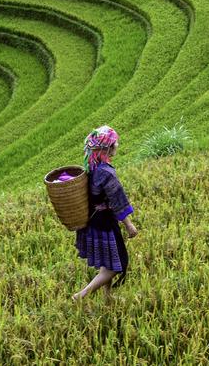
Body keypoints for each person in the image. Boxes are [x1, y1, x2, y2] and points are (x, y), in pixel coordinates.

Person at [73, 126, 137, 301]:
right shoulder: (106, 172)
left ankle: (107, 297)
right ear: (107, 148)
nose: (117, 146)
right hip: (105, 223)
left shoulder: (91, 168)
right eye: (115, 144)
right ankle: (82, 295)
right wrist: (129, 225)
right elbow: (117, 200)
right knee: (117, 264)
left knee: (108, 260)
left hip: (93, 221)